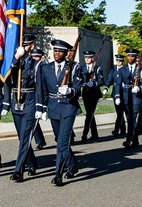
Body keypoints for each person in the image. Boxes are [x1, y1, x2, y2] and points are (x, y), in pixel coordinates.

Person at [38, 39, 83, 186]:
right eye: (55, 51)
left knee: (63, 142)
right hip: (53, 108)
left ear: (66, 53)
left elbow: (78, 87)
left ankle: (58, 173)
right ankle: (73, 163)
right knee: (59, 140)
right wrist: (42, 108)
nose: (56, 53)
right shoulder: (46, 68)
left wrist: (70, 90)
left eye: (60, 51)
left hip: (68, 107)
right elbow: (43, 90)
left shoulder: (74, 67)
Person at [5, 36, 43, 182]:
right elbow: (7, 75)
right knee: (23, 138)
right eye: (21, 46)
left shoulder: (37, 65)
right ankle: (32, 163)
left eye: (26, 45)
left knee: (25, 138)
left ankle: (18, 170)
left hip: (30, 103)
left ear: (31, 46)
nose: (23, 48)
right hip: (17, 103)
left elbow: (40, 86)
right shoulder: (15, 62)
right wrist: (16, 57)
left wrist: (40, 107)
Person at [114, 48, 142, 149]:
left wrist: (139, 88)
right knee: (129, 118)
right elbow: (117, 84)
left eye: (132, 56)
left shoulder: (140, 69)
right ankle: (135, 139)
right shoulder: (122, 69)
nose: (130, 58)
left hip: (136, 96)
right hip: (126, 96)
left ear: (136, 57)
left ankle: (128, 140)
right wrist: (117, 96)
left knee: (133, 118)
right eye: (129, 56)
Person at [79, 50, 104, 142]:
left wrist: (94, 83)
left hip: (94, 93)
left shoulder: (97, 68)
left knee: (89, 113)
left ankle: (84, 134)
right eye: (85, 57)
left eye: (89, 57)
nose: (87, 59)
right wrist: (84, 84)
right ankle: (94, 134)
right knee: (90, 114)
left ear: (92, 58)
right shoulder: (82, 68)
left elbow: (101, 81)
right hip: (86, 93)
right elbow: (79, 79)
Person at [30, 47, 49, 149]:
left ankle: (40, 141)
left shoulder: (43, 68)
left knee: (34, 120)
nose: (34, 58)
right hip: (30, 96)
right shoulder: (29, 66)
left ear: (40, 58)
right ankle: (40, 140)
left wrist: (44, 106)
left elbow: (44, 88)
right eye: (33, 56)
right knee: (33, 120)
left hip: (40, 95)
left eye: (36, 56)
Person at [108, 53, 126, 137]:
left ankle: (116, 129)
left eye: (120, 61)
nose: (119, 62)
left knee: (121, 113)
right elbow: (109, 80)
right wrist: (106, 87)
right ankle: (122, 129)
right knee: (119, 113)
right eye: (117, 61)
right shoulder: (113, 71)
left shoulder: (125, 70)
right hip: (115, 94)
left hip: (124, 94)